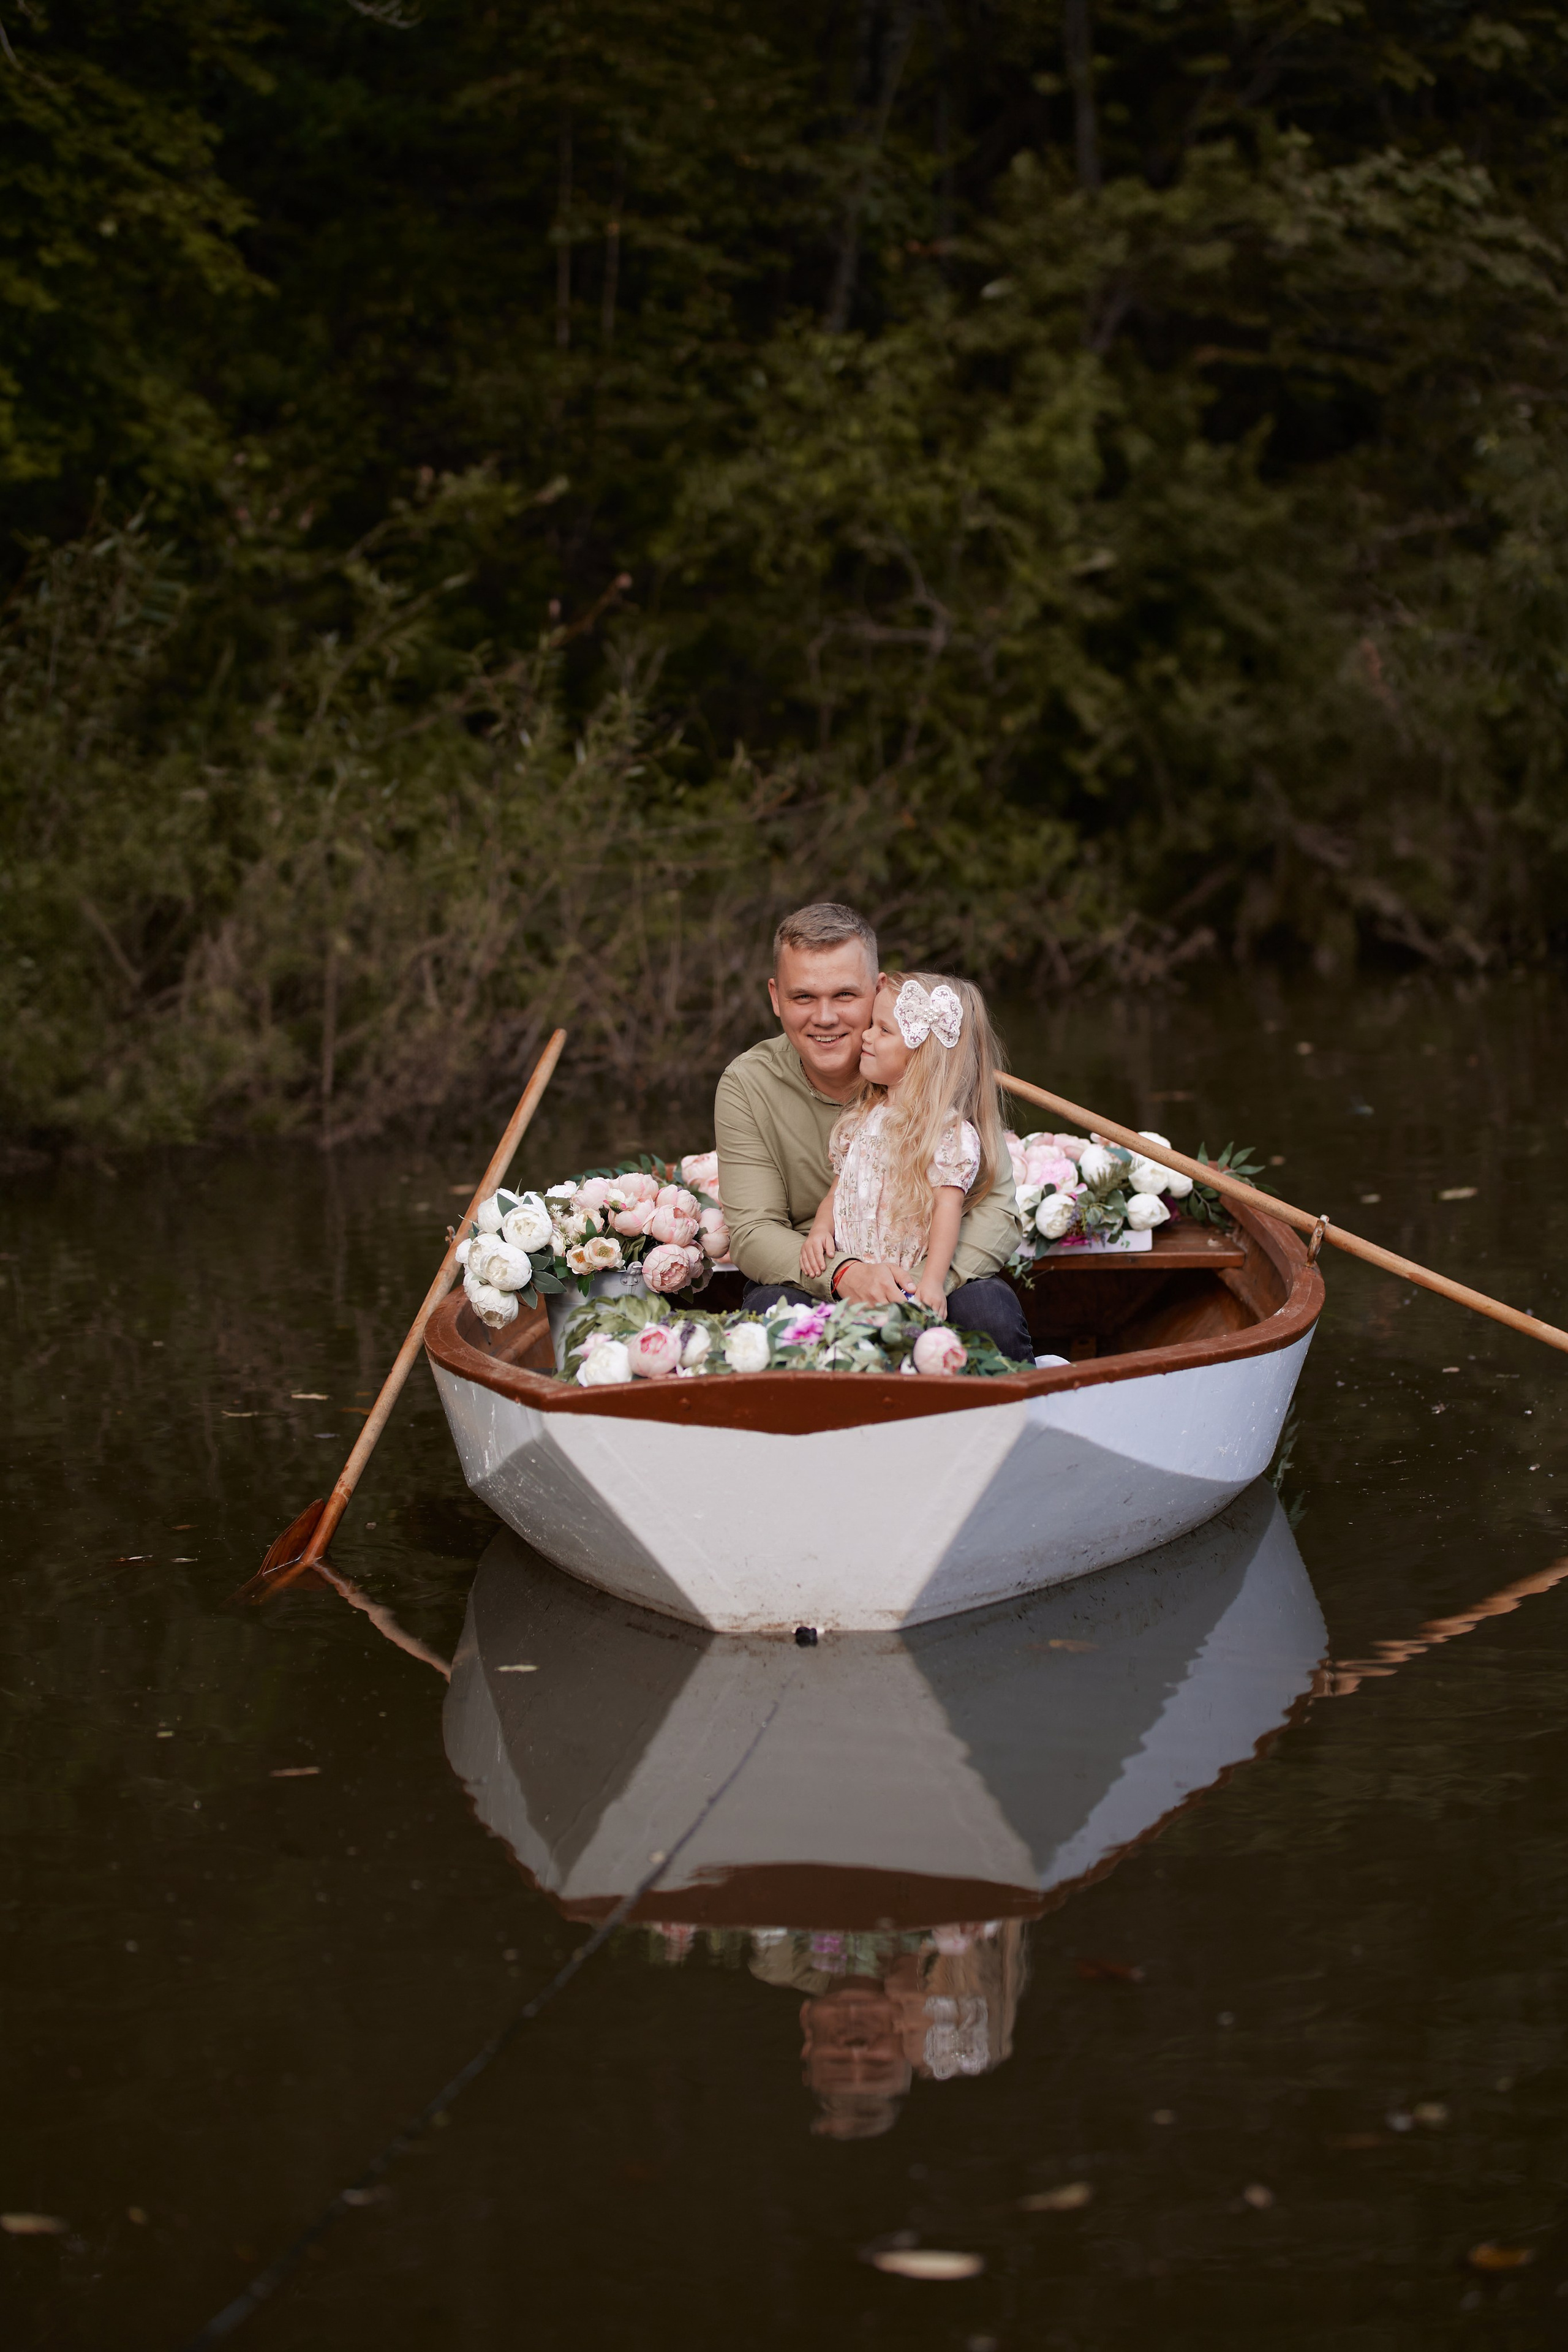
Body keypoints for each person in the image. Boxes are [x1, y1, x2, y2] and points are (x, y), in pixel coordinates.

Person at [714, 902, 1033, 1360]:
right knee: (774, 1314)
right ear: (775, 997)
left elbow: (998, 1211)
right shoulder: (748, 1084)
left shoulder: (936, 1068)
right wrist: (845, 1276)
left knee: (989, 1309)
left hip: (932, 1267)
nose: (825, 1018)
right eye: (803, 997)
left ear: (879, 989)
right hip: (819, 1272)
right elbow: (755, 1230)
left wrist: (920, 1285)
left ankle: (1010, 1417)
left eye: (845, 995)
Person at [799, 969, 1001, 1323]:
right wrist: (820, 1229)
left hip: (905, 1279)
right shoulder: (863, 1117)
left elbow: (946, 1210)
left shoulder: (944, 1131)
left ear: (922, 1055)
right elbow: (839, 1189)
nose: (866, 1035)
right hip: (855, 1280)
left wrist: (933, 1282)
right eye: (872, 1025)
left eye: (883, 1029)